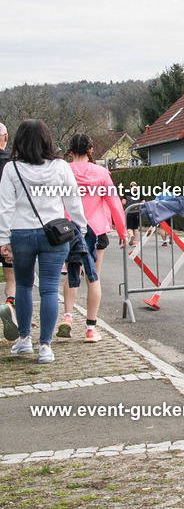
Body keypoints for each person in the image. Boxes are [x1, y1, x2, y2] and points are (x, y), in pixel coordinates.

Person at [0, 119, 87, 363]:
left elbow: (5, 207)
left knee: (23, 286)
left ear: (19, 140)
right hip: (54, 233)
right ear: (47, 140)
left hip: (21, 233)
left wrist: (3, 238)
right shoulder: (61, 166)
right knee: (49, 289)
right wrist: (81, 227)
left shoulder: (12, 169)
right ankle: (46, 346)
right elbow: (73, 200)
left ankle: (24, 340)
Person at [56, 134, 127, 343]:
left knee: (72, 273)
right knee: (93, 277)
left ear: (70, 151)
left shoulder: (62, 171)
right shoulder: (102, 173)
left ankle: (68, 316)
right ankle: (90, 328)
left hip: (68, 230)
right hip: (95, 231)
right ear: (91, 150)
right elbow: (115, 203)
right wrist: (123, 232)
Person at [0, 121, 17, 342]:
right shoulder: (13, 164)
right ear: (5, 137)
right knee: (11, 276)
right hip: (9, 226)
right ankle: (10, 305)